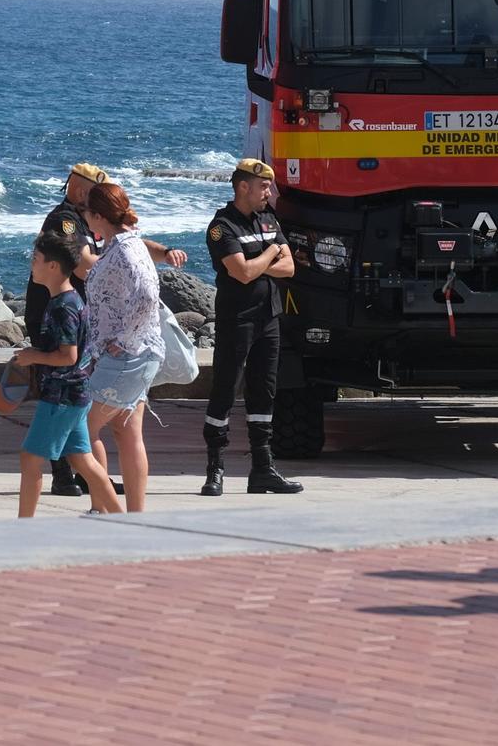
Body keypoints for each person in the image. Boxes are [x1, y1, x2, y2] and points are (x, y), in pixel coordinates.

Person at [26, 162, 188, 497]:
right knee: (104, 421)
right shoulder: (66, 221)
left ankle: (99, 495)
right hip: (68, 321)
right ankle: (82, 485)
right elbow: (89, 263)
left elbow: (129, 277)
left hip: (115, 346)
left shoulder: (119, 244)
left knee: (79, 423)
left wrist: (126, 335)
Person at [200, 158, 303, 496]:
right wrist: (271, 251)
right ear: (243, 187)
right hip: (237, 319)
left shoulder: (268, 218)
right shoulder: (222, 226)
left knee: (265, 392)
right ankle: (215, 469)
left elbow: (289, 269)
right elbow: (241, 273)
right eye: (263, 187)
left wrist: (259, 263)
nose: (269, 192)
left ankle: (263, 468)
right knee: (225, 390)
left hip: (268, 318)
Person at [14, 232, 122, 517]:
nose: (31, 265)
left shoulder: (64, 307)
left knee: (30, 459)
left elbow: (68, 356)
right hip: (75, 393)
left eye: (35, 259)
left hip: (61, 396)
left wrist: (32, 356)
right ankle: (124, 520)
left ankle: (22, 526)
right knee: (83, 461)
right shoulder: (68, 299)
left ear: (53, 266)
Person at [79, 180, 163, 512]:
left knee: (82, 427)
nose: (84, 215)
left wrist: (124, 340)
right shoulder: (125, 245)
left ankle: (105, 507)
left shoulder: (126, 249)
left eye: (87, 210)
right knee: (127, 434)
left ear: (98, 215)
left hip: (129, 355)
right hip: (135, 354)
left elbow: (147, 296)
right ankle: (134, 514)